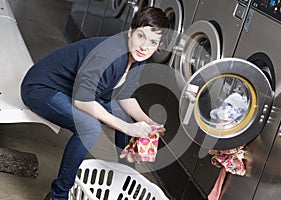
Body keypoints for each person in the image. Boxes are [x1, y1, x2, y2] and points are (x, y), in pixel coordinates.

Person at [20, 7, 170, 200]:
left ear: (158, 46)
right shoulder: (110, 55)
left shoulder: (138, 58)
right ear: (131, 31)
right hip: (43, 89)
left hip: (75, 90)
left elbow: (126, 96)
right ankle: (59, 195)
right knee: (90, 128)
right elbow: (82, 101)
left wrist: (148, 123)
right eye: (141, 36)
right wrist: (128, 128)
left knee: (125, 116)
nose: (144, 47)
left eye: (153, 42)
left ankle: (124, 182)